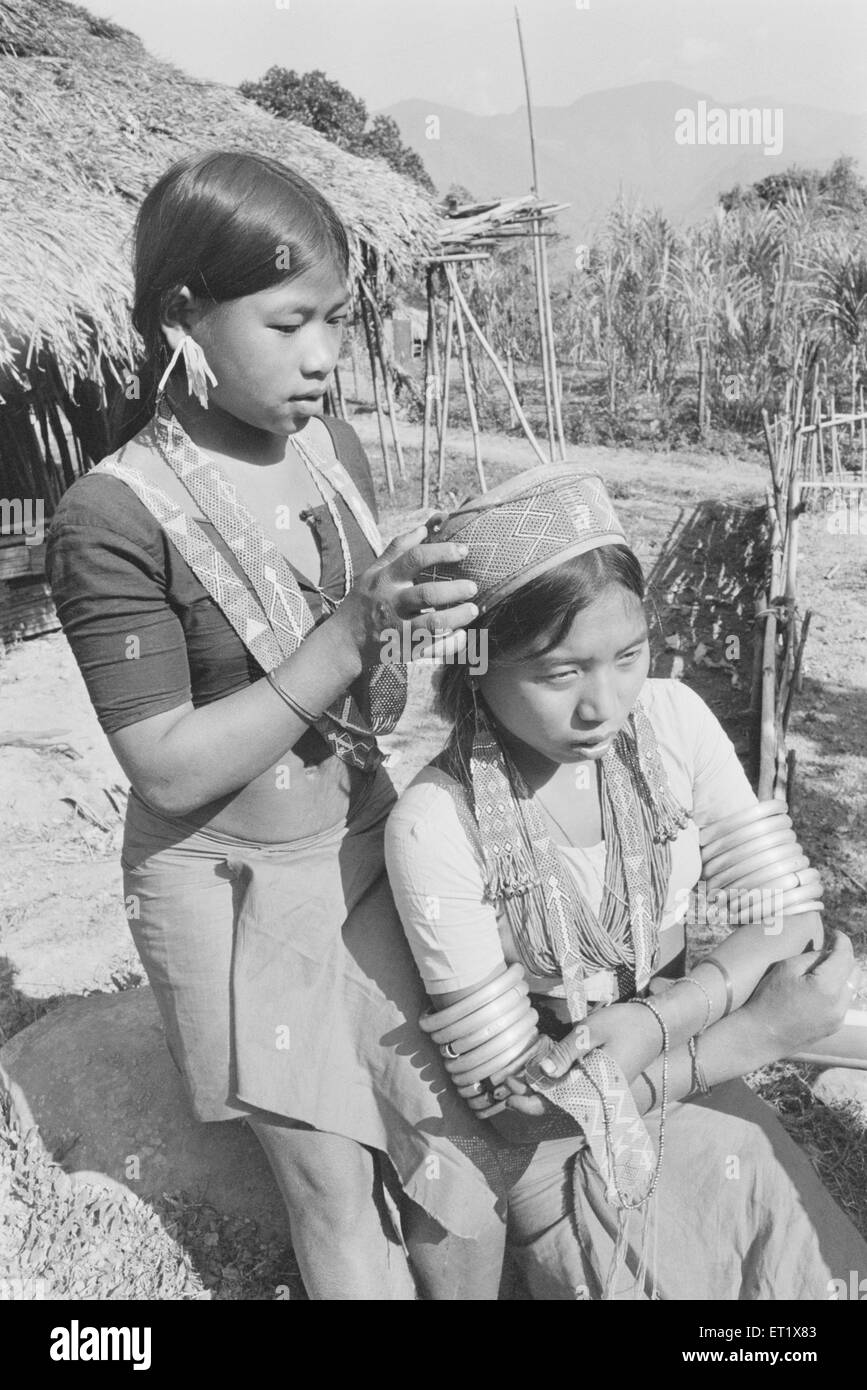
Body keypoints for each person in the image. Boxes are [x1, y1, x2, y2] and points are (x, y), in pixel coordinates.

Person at [44, 150, 509, 1300]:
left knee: (453, 1139)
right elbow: (164, 765)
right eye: (291, 321)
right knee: (331, 1188)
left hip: (357, 849)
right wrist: (349, 634)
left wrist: (436, 618)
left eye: (338, 321)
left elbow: (375, 664)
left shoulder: (326, 448)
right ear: (185, 315)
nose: (325, 357)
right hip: (227, 883)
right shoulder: (111, 514)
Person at [384, 464, 867, 1299]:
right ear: (475, 664)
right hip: (555, 1148)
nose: (601, 704)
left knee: (797, 1266)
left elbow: (789, 921)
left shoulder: (672, 721)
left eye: (628, 657)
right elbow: (515, 1105)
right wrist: (751, 1036)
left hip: (689, 1069)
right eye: (558, 672)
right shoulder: (435, 823)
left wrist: (664, 1015)